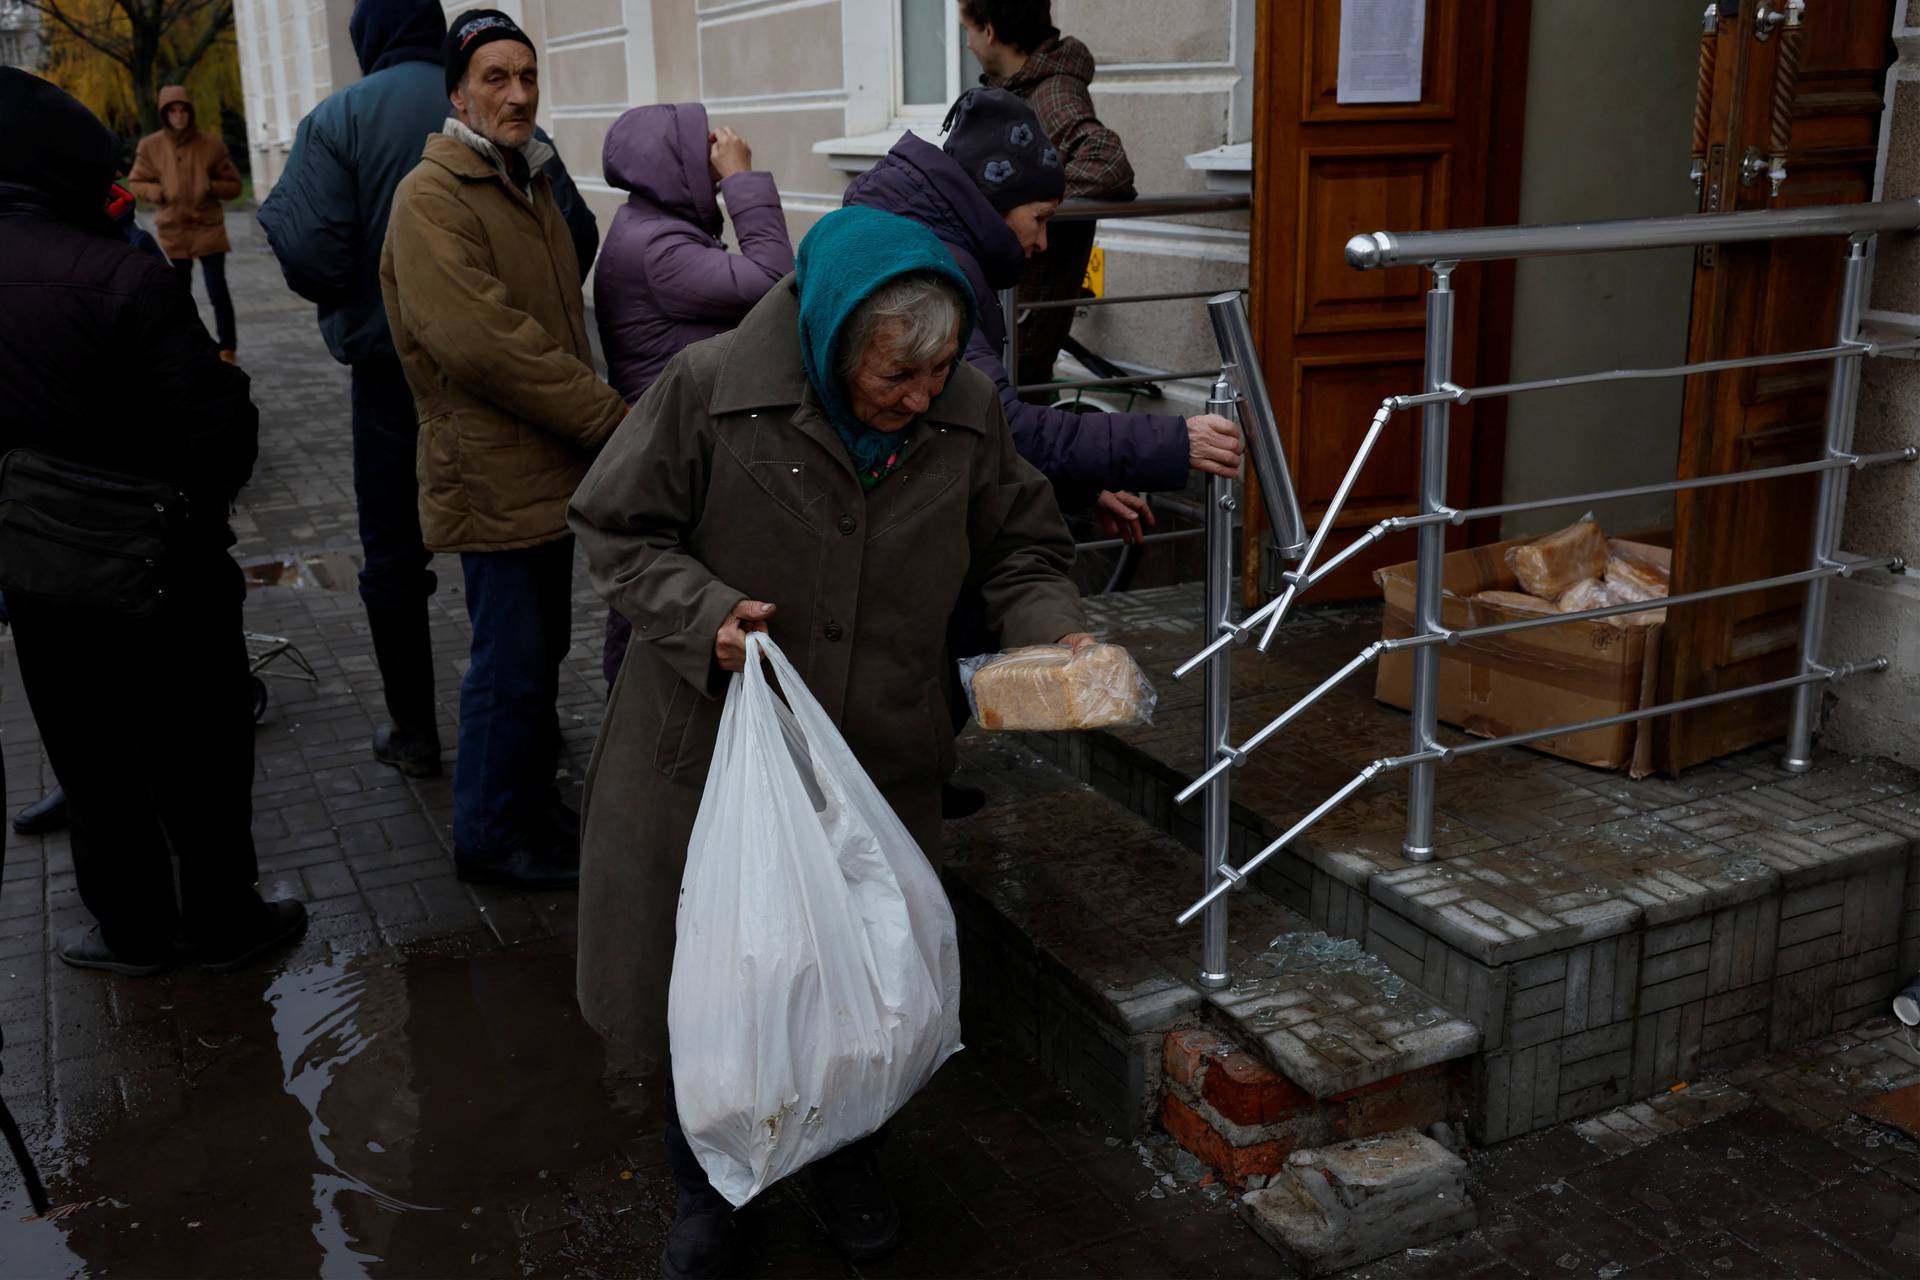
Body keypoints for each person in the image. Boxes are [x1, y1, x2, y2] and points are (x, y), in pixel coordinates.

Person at [570, 206, 1091, 1278]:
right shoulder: (710, 387)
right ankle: (711, 1183)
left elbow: (1023, 548)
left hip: (877, 754)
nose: (919, 398)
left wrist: (1054, 632)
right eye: (896, 375)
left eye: (939, 369)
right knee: (713, 986)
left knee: (860, 979)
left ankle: (849, 1157)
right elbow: (616, 526)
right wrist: (700, 607)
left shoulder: (966, 411)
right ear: (833, 338)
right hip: (708, 752)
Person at [0, 68, 307, 974]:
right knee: (200, 755)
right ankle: (221, 920)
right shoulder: (121, 276)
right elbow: (221, 434)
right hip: (162, 570)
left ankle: (130, 928)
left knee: (92, 762)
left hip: (43, 582)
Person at [258, 0, 601, 781]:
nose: (515, 89)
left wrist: (380, 301)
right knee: (526, 556)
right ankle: (531, 726)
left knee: (394, 558)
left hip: (391, 382)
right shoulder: (509, 119)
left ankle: (414, 729)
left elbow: (307, 250)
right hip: (502, 396)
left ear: (366, 36)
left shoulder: (338, 117)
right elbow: (572, 233)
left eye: (525, 77)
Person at [380, 8, 628, 891]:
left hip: (546, 464)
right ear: (457, 92)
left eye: (527, 76)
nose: (518, 94)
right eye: (496, 77)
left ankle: (527, 806)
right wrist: (607, 418)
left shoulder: (523, 181)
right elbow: (482, 341)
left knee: (539, 652)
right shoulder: (433, 197)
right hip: (492, 471)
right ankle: (490, 834)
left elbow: (561, 314)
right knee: (509, 665)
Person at [843, 87, 1240, 550]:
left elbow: (976, 430)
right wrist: (1175, 441)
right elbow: (1001, 427)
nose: (1044, 241)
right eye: (1040, 218)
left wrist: (1081, 485)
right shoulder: (936, 275)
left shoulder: (930, 240)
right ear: (994, 203)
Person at [592, 102, 795, 688]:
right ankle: (630, 719)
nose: (713, 156)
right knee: (656, 593)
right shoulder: (660, 247)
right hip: (670, 440)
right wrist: (742, 182)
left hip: (668, 431)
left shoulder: (651, 226)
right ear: (670, 163)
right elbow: (773, 282)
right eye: (699, 149)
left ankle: (631, 711)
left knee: (654, 591)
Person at [960, 0, 1136, 388]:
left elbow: (1109, 166)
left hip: (1024, 320)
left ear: (989, 31)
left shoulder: (1052, 94)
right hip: (1007, 311)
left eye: (967, 31)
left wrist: (1021, 198)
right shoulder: (1021, 90)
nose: (968, 45)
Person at [125, 84, 244, 364]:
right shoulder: (150, 146)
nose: (178, 116)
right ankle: (187, 347)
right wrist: (158, 193)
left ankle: (227, 348)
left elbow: (235, 185)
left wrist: (210, 186)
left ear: (190, 111)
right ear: (164, 115)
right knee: (177, 295)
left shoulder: (211, 144)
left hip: (208, 228)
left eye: (183, 110)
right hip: (173, 231)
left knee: (218, 293)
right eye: (172, 111)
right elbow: (135, 181)